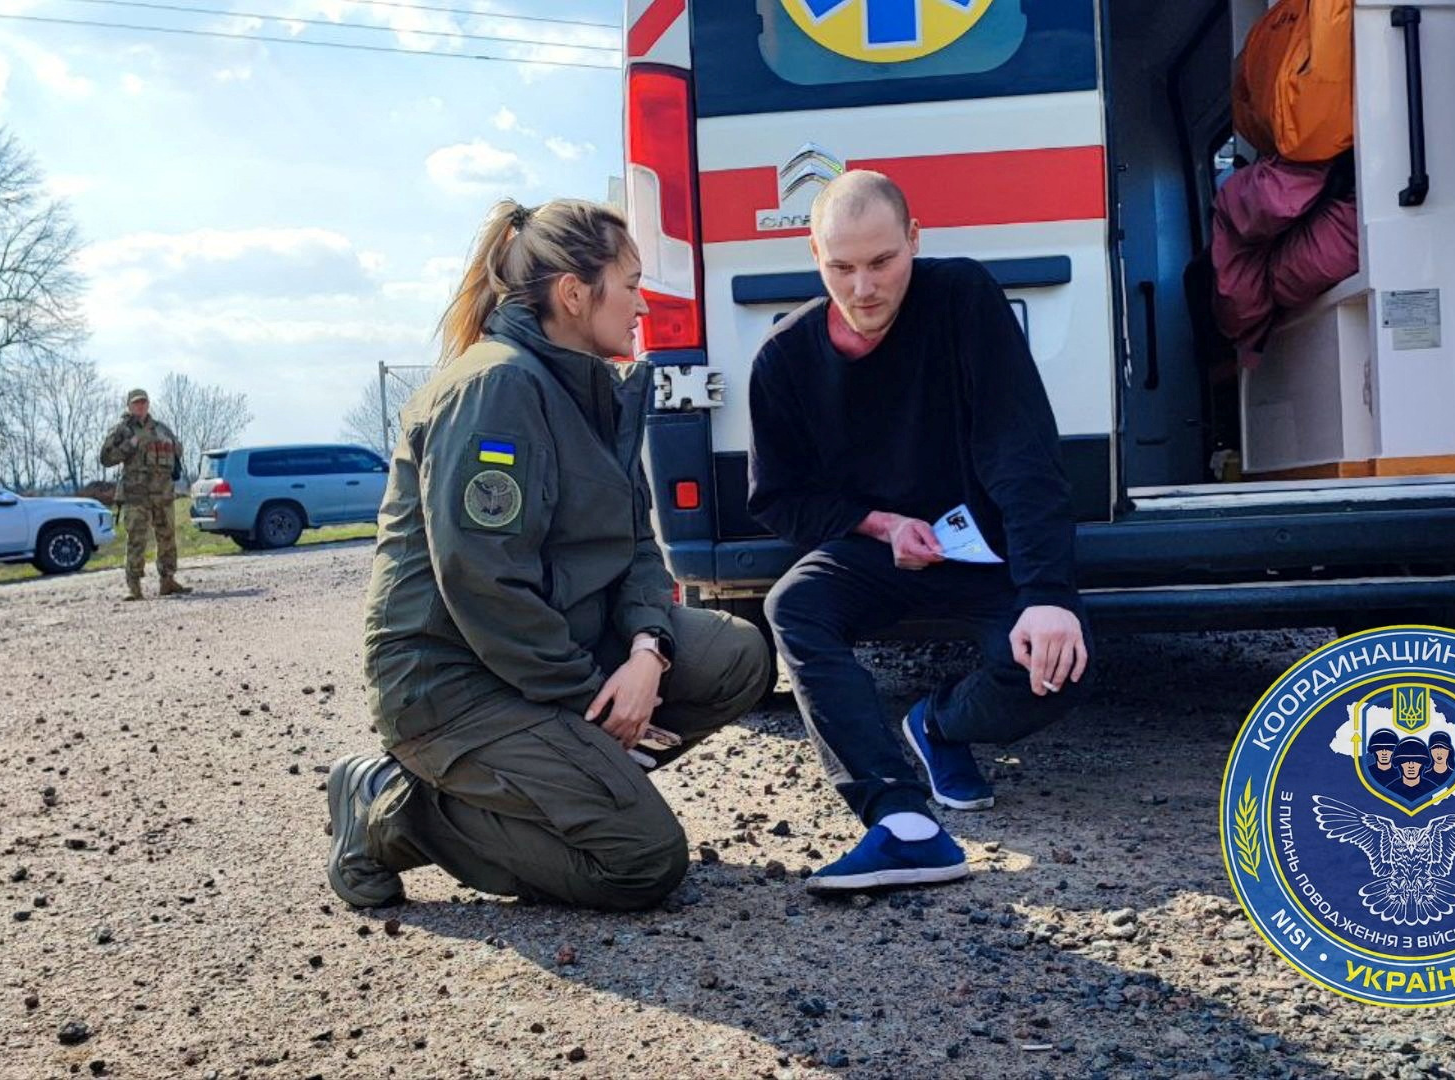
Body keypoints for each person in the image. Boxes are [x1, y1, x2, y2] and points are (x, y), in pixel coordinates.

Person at [325, 199, 773, 912]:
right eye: (629, 285)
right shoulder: (496, 388)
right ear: (573, 292)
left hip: (549, 648)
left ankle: (572, 786)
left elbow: (636, 546)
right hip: (452, 681)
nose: (641, 305)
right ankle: (393, 809)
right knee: (643, 865)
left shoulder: (599, 390)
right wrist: (587, 702)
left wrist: (648, 653)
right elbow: (484, 585)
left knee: (737, 656)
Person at [747, 171, 1093, 893]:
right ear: (814, 254)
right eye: (841, 267)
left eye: (882, 262)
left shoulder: (963, 299)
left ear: (915, 240)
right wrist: (880, 525)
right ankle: (898, 819)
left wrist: (1049, 593)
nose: (864, 287)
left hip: (987, 547)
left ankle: (937, 725)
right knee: (792, 604)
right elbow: (781, 499)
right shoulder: (782, 358)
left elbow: (1019, 448)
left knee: (1053, 669)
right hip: (880, 552)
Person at [98, 389, 188, 600]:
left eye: (143, 402)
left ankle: (168, 580)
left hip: (163, 494)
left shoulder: (161, 429)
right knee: (137, 539)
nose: (140, 406)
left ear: (148, 404)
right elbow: (106, 458)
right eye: (136, 403)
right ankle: (134, 586)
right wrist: (130, 446)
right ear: (129, 406)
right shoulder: (122, 430)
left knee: (167, 536)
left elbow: (178, 451)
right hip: (136, 495)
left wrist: (171, 448)